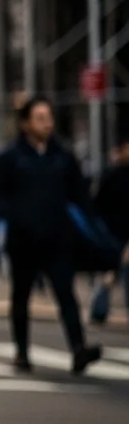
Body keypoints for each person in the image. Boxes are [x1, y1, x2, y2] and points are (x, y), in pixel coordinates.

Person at [0, 96, 101, 374]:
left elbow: (79, 194)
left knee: (66, 294)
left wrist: (92, 227)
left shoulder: (62, 155)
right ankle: (22, 351)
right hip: (23, 240)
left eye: (49, 117)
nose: (47, 123)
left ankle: (78, 348)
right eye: (40, 118)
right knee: (21, 296)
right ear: (25, 124)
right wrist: (13, 214)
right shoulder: (10, 157)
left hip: (57, 238)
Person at [91, 133, 129, 326]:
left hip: (115, 232)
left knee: (112, 274)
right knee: (110, 274)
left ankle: (98, 310)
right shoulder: (112, 175)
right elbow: (98, 204)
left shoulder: (111, 174)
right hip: (113, 232)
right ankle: (98, 310)